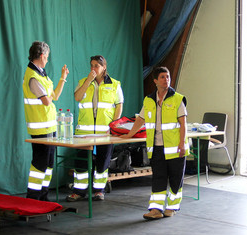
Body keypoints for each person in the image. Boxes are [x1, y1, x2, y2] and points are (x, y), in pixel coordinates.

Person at [121, 66, 189, 220]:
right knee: (158, 177)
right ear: (155, 81)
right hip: (156, 147)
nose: (166, 80)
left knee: (175, 178)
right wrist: (129, 135)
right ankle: (156, 209)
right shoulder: (149, 100)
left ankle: (171, 207)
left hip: (175, 148)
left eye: (168, 77)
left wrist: (182, 144)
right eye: (163, 77)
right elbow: (141, 119)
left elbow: (183, 124)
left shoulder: (178, 99)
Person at [66, 55, 124, 202]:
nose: (93, 68)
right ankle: (79, 191)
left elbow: (119, 104)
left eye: (96, 66)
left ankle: (99, 190)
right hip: (83, 133)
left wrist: (114, 124)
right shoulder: (82, 82)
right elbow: (78, 97)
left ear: (104, 67)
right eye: (91, 65)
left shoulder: (115, 84)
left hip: (105, 132)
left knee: (103, 161)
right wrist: (88, 81)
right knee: (81, 162)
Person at [23, 41, 69, 200]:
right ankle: (33, 197)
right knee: (39, 164)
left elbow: (54, 96)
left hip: (50, 127)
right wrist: (50, 97)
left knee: (49, 163)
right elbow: (47, 101)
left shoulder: (42, 73)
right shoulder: (33, 76)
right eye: (47, 57)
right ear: (42, 56)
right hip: (40, 130)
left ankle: (43, 196)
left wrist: (63, 78)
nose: (48, 60)